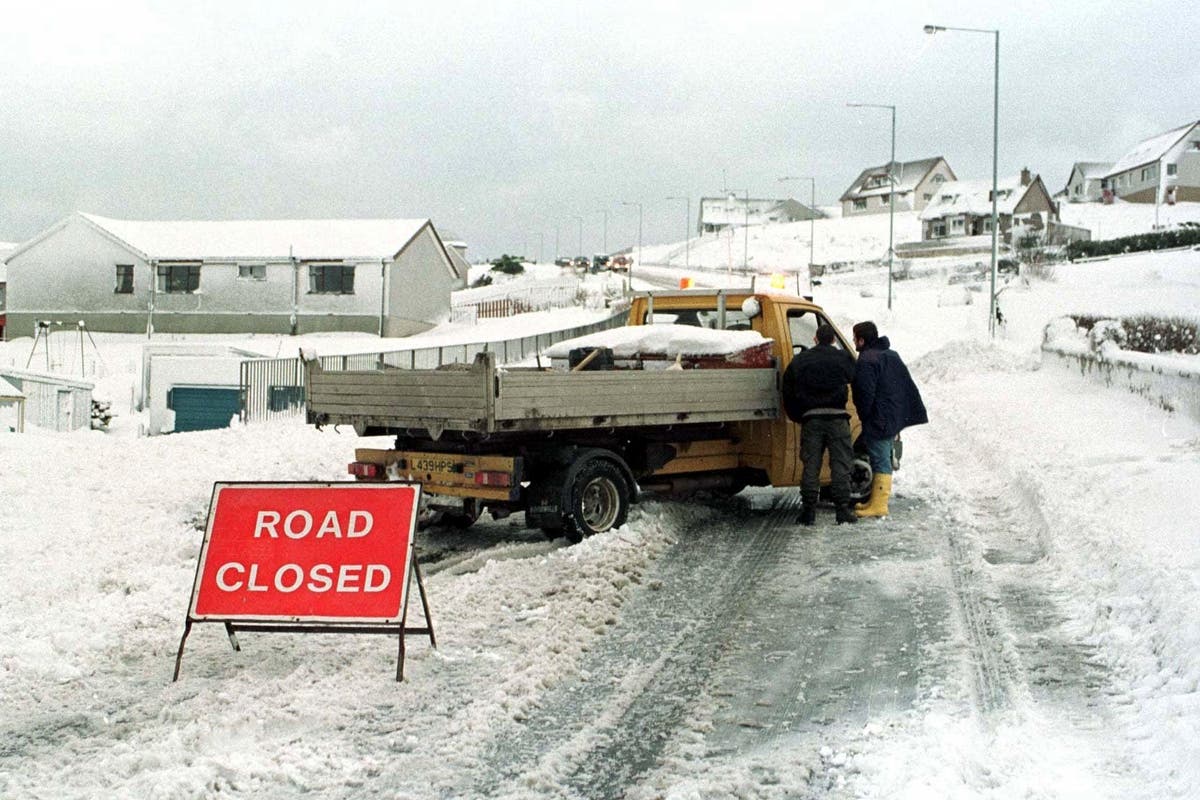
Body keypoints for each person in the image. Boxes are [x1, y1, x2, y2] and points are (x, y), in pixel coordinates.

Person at [782, 323, 858, 526]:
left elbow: (787, 388)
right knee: (841, 464)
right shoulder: (843, 358)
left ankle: (808, 512)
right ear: (833, 340)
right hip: (838, 418)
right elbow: (857, 379)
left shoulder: (801, 359)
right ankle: (842, 510)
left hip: (812, 419)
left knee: (811, 465)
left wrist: (798, 415)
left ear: (815, 339)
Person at [850, 321, 928, 517]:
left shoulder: (867, 360)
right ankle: (875, 501)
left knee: (880, 459)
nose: (853, 341)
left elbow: (864, 393)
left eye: (855, 338)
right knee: (883, 457)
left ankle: (879, 505)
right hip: (891, 415)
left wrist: (866, 416)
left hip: (878, 418)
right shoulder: (891, 355)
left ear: (861, 340)